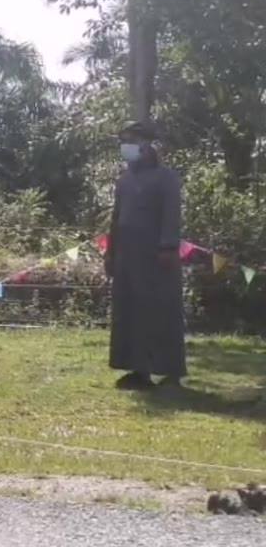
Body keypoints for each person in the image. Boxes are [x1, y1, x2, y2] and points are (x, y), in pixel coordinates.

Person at [105, 121, 186, 389]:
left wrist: (167, 247)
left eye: (131, 141)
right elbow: (116, 219)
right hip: (127, 255)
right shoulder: (124, 180)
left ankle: (170, 370)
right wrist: (111, 252)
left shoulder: (166, 178)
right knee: (130, 311)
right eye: (123, 142)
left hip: (156, 255)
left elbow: (171, 216)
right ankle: (139, 370)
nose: (125, 147)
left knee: (159, 311)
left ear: (147, 145)